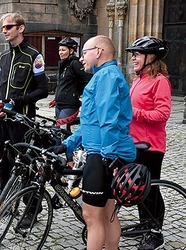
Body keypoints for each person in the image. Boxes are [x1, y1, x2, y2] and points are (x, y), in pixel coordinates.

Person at [51, 35, 136, 250]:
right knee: (107, 212)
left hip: (103, 154)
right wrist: (68, 144)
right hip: (104, 151)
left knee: (91, 216)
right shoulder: (103, 75)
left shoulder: (106, 76)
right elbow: (92, 123)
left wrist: (109, 158)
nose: (81, 58)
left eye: (85, 52)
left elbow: (108, 120)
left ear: (98, 51)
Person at [0, 12, 49, 192]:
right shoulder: (4, 57)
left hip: (21, 119)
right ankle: (6, 201)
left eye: (8, 27)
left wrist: (17, 101)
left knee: (24, 163)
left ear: (20, 28)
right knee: (2, 159)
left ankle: (31, 209)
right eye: (2, 28)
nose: (4, 31)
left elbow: (43, 90)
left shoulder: (34, 56)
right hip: (2, 118)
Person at [125, 36, 171, 250]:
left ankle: (156, 232)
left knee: (151, 189)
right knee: (139, 187)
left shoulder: (160, 81)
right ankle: (145, 224)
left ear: (150, 58)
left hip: (151, 145)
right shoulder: (138, 79)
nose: (133, 58)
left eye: (137, 54)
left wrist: (134, 112)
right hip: (135, 142)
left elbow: (163, 114)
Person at [49, 37, 92, 125]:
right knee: (59, 132)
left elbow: (87, 78)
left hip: (69, 104)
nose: (60, 52)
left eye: (63, 50)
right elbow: (63, 84)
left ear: (71, 51)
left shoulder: (74, 64)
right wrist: (56, 98)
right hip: (60, 104)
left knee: (60, 130)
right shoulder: (63, 65)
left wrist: (81, 95)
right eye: (59, 50)